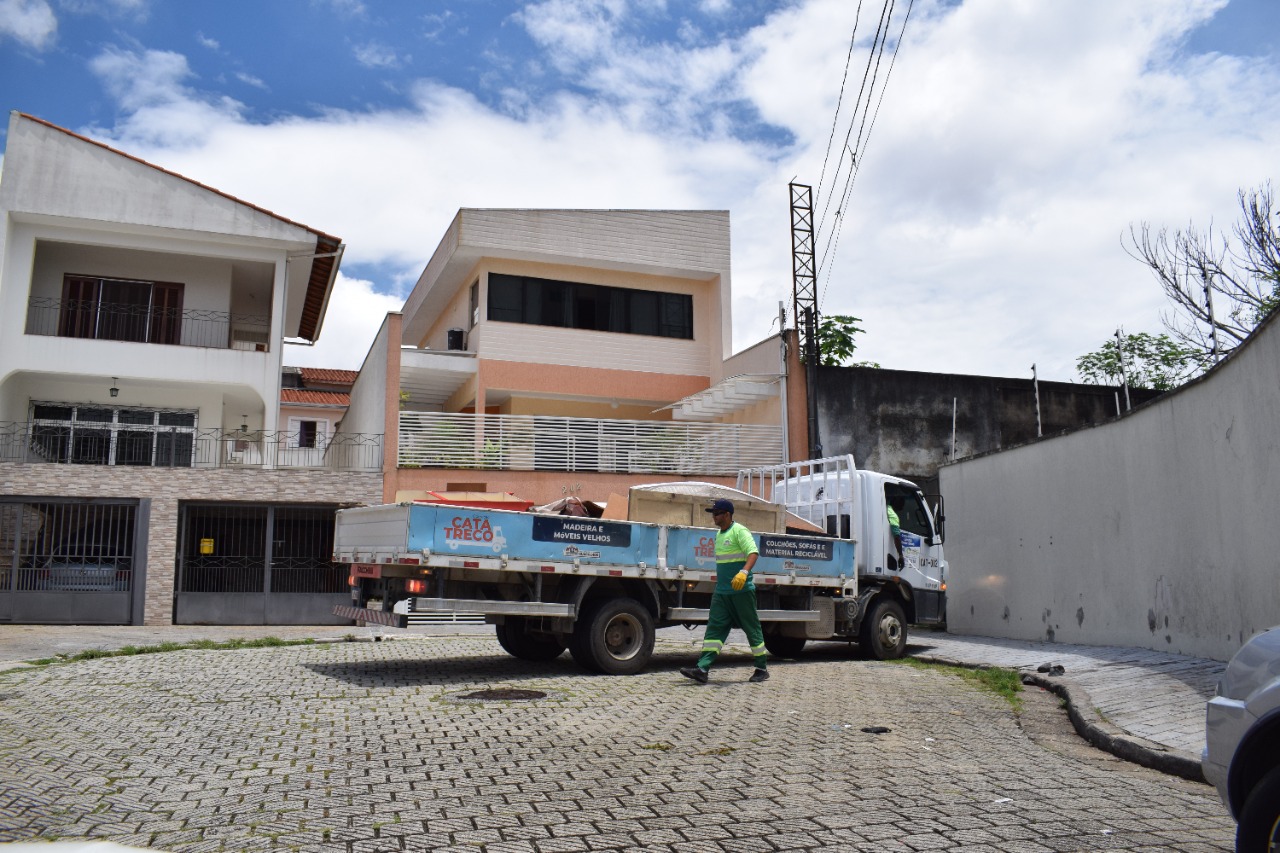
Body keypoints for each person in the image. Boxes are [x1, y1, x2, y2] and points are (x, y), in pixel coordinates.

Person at [680, 498, 769, 684]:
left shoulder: (740, 531)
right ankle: (702, 669)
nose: (713, 516)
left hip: (741, 591)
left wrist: (744, 572)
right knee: (714, 629)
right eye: (713, 513)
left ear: (727, 515)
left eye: (717, 513)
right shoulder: (718, 535)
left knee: (751, 628)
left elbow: (753, 553)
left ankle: (761, 668)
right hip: (722, 592)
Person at [887, 494, 905, 568]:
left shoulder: (886, 508)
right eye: (902, 505)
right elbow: (897, 537)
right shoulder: (893, 515)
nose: (902, 508)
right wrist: (901, 556)